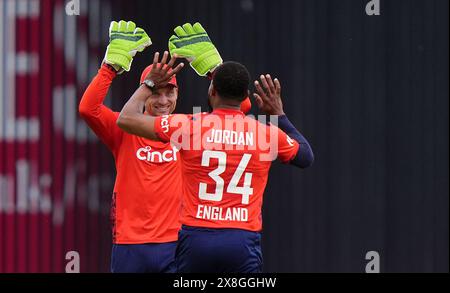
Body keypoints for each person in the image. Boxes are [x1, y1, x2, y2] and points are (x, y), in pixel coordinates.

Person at [116, 49, 314, 272]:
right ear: (245, 95)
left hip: (197, 239)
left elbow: (127, 118)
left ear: (212, 90)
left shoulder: (187, 127)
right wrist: (279, 115)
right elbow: (306, 156)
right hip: (242, 240)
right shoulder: (266, 134)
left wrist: (150, 83)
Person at [79, 20, 182, 273]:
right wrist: (110, 67)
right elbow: (87, 109)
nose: (163, 100)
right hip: (130, 244)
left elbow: (236, 111)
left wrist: (215, 68)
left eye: (170, 92)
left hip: (176, 244)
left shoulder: (186, 130)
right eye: (156, 92)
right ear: (143, 92)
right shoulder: (123, 128)